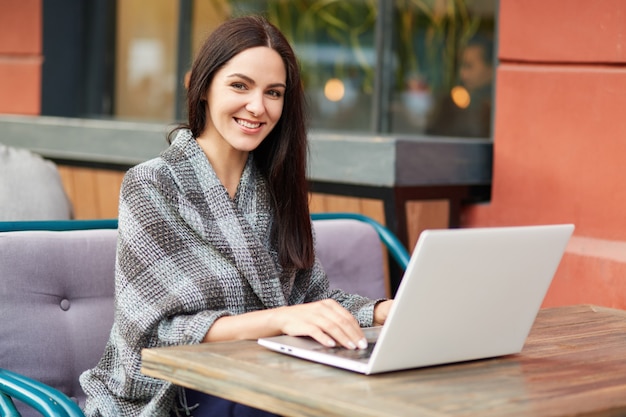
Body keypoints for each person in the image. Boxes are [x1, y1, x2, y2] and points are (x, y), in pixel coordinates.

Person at [79, 15, 393, 417]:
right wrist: (283, 320)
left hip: (268, 376)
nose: (257, 107)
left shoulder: (275, 190)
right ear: (203, 86)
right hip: (176, 392)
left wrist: (386, 311)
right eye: (240, 86)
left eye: (274, 92)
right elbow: (157, 335)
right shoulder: (152, 184)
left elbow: (313, 302)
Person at [425, 34, 494, 138]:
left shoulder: (499, 106)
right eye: (460, 66)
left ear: (490, 69)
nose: (462, 73)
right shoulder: (449, 103)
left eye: (469, 66)